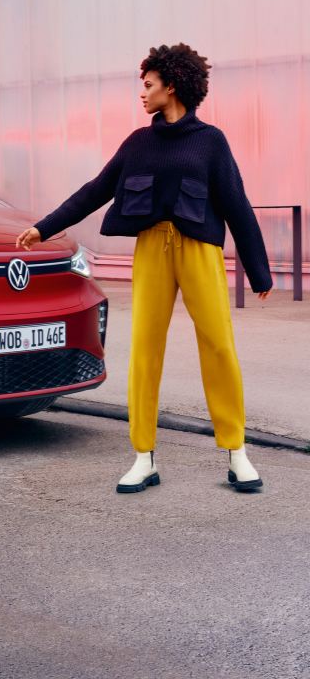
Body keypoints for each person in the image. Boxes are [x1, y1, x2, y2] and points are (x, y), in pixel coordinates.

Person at [16, 44, 272, 494]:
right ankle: (143, 456)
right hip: (152, 250)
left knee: (218, 346)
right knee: (145, 350)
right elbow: (96, 190)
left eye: (149, 84)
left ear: (171, 86)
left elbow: (236, 203)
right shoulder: (138, 143)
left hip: (199, 251)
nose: (143, 93)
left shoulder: (210, 141)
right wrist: (44, 227)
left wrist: (259, 271)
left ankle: (237, 452)